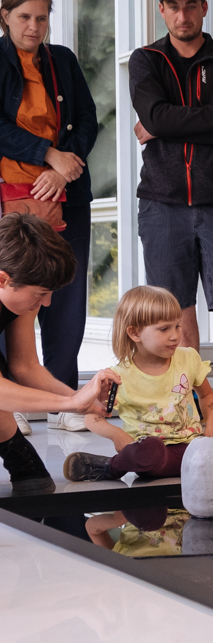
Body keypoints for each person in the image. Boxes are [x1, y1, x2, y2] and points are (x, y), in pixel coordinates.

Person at [129, 0, 213, 377]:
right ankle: (187, 402)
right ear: (161, 9)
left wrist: (167, 123)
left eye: (190, 6)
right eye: (173, 6)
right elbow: (155, 116)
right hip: (161, 203)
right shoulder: (146, 60)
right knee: (174, 311)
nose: (182, 16)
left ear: (204, 8)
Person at [0, 0, 98, 432]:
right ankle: (10, 404)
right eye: (24, 17)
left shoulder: (64, 60)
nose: (34, 26)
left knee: (65, 296)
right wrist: (47, 153)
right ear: (4, 15)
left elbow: (87, 120)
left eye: (42, 18)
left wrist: (62, 170)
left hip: (65, 192)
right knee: (12, 290)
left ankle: (65, 401)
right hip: (7, 194)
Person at [0, 214, 118, 493]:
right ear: (3, 279)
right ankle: (12, 445)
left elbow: (25, 366)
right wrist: (71, 403)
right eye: (40, 293)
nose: (47, 302)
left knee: (37, 483)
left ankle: (13, 448)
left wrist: (81, 399)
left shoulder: (22, 288)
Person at [64, 285, 213, 482]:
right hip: (153, 456)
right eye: (164, 329)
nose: (175, 335)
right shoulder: (119, 376)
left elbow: (206, 395)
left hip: (194, 446)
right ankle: (111, 467)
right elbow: (91, 417)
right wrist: (117, 435)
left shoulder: (189, 358)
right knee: (151, 450)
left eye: (177, 326)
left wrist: (211, 428)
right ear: (135, 333)